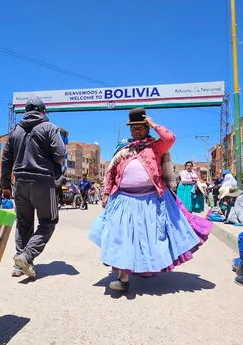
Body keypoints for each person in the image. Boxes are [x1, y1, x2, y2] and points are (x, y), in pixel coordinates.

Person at [90, 108, 210, 292]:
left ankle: (143, 267)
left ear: (147, 128)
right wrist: (106, 193)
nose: (136, 131)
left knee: (148, 240)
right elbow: (112, 173)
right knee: (121, 238)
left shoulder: (156, 146)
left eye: (140, 127)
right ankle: (123, 278)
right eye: (133, 128)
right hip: (123, 200)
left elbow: (170, 138)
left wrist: (154, 124)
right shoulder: (124, 149)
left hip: (150, 201)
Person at [1, 96, 66, 279]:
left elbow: (6, 159)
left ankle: (19, 265)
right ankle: (26, 256)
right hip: (44, 182)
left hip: (20, 182)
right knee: (48, 221)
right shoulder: (49, 127)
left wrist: (5, 184)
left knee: (23, 223)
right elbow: (60, 155)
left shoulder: (15, 131)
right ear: (43, 111)